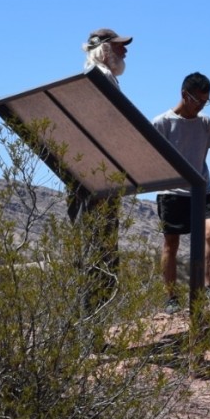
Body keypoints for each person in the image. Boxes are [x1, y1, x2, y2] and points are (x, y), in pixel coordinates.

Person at [71, 27, 133, 312]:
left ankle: (89, 327)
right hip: (98, 175)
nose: (125, 51)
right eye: (120, 47)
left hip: (85, 171)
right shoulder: (101, 77)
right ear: (105, 48)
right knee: (100, 249)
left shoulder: (87, 77)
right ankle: (91, 326)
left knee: (90, 247)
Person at [152, 72, 210, 314]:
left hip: (201, 189)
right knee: (171, 242)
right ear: (184, 95)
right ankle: (170, 297)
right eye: (198, 100)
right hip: (172, 190)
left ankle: (207, 288)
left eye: (205, 101)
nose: (201, 106)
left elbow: (202, 156)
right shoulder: (161, 123)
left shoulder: (206, 123)